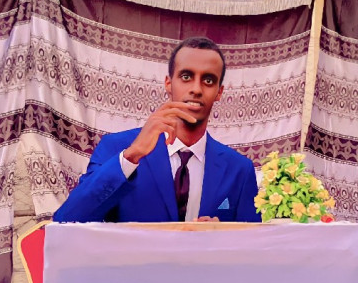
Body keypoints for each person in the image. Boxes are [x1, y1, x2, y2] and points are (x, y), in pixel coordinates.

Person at [53, 37, 260, 224]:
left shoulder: (239, 170)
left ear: (219, 92)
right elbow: (67, 221)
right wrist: (131, 157)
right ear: (168, 83)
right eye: (186, 76)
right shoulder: (117, 149)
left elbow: (253, 247)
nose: (196, 89)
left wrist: (224, 237)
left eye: (208, 80)